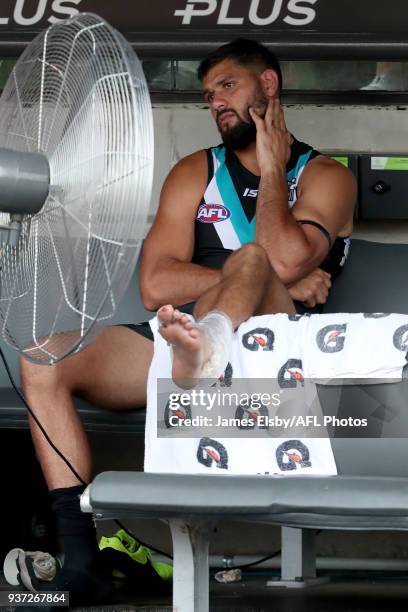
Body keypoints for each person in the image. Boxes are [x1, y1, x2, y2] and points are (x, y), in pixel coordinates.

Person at [19, 38, 356, 603]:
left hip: (283, 355)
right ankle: (81, 555)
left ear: (268, 86)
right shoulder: (194, 172)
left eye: (228, 86)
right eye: (208, 95)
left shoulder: (326, 175)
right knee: (43, 358)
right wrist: (263, 278)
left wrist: (273, 172)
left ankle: (209, 347)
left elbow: (290, 258)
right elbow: (155, 285)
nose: (216, 103)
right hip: (180, 345)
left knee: (253, 256)